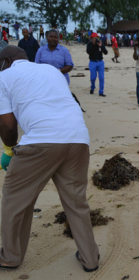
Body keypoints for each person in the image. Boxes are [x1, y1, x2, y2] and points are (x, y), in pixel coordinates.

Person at [0, 45, 99, 272]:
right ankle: (90, 258)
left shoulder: (3, 77)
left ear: (5, 60)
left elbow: (7, 125)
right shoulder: (51, 70)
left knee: (15, 200)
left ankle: (10, 256)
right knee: (76, 203)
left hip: (40, 142)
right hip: (78, 139)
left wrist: (9, 149)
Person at [86, 32, 107, 97]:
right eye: (94, 38)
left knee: (101, 78)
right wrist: (93, 44)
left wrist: (101, 46)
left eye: (96, 38)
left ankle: (101, 92)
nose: (95, 40)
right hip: (92, 62)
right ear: (91, 39)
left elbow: (106, 52)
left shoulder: (100, 43)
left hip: (100, 62)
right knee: (93, 77)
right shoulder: (89, 44)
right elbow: (89, 52)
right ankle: (92, 87)